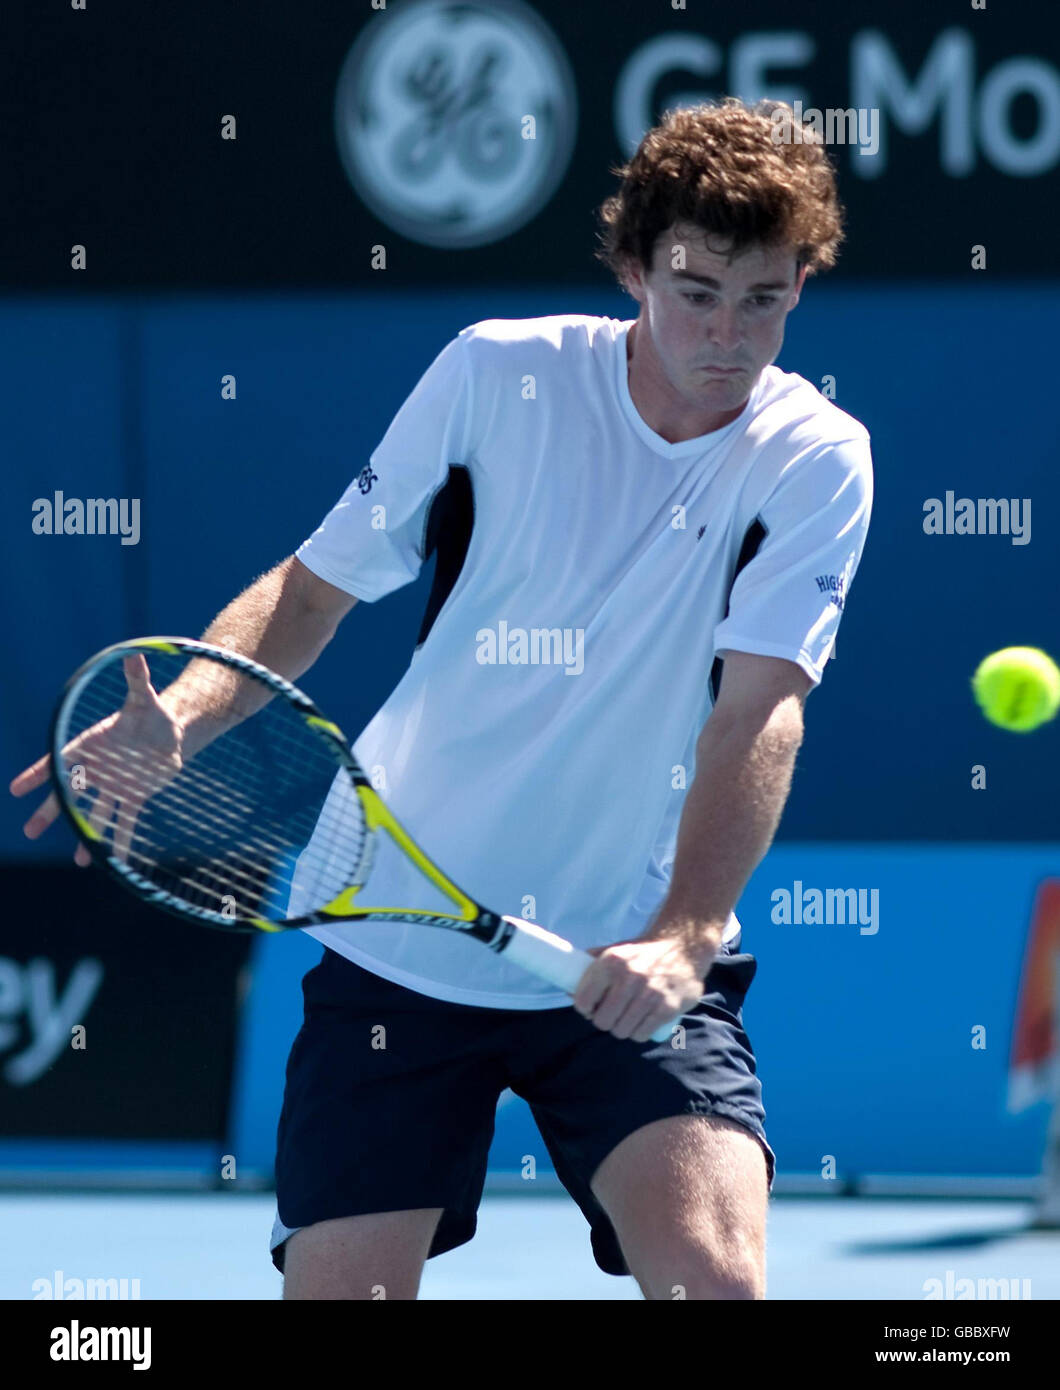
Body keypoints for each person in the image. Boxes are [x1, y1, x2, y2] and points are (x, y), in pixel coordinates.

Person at [14, 97, 872, 1300]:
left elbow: (758, 710)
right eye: (695, 290)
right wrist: (193, 715)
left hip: (623, 947)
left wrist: (681, 934)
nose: (727, 335)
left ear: (802, 286)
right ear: (634, 268)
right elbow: (313, 595)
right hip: (393, 936)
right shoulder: (493, 376)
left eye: (765, 299)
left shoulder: (816, 455)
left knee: (715, 1288)